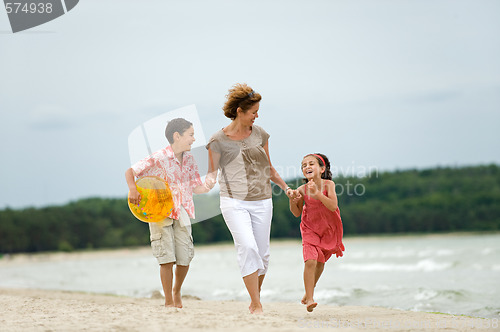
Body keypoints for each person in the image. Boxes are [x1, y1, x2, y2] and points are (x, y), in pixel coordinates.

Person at [205, 83, 293, 314]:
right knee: (247, 246)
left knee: (263, 255)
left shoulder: (261, 134)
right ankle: (256, 303)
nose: (257, 115)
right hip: (234, 201)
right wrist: (199, 188)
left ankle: (255, 297)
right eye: (253, 111)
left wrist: (286, 188)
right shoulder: (217, 141)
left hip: (263, 200)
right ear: (239, 112)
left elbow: (269, 168)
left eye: (257, 111)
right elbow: (211, 174)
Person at [125, 118, 211, 308]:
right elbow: (130, 171)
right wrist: (133, 189)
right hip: (159, 211)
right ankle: (169, 301)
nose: (193, 139)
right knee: (166, 259)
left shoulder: (189, 159)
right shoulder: (159, 156)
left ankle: (177, 290)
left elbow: (195, 187)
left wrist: (207, 186)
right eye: (191, 135)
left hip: (183, 210)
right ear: (177, 136)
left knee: (185, 258)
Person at [288, 153, 345, 312]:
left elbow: (333, 206)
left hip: (327, 229)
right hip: (310, 228)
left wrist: (318, 193)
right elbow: (296, 212)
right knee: (311, 261)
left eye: (311, 164)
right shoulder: (302, 189)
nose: (307, 167)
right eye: (303, 165)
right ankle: (310, 299)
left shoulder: (329, 185)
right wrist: (292, 201)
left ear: (322, 169)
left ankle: (308, 291)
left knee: (320, 262)